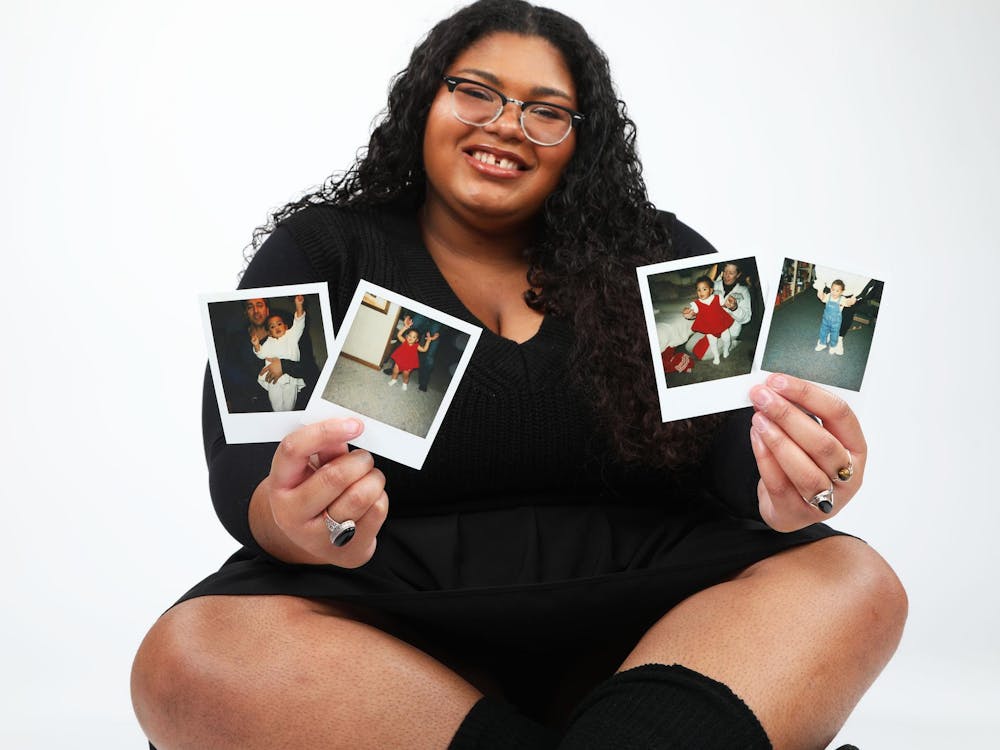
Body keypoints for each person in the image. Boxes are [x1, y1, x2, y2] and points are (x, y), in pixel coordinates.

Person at [131, 2, 906, 749]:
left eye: (546, 110)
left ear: (582, 140)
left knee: (854, 579)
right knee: (187, 658)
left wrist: (788, 481)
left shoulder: (660, 256)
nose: (506, 123)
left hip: (657, 617)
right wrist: (285, 515)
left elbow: (733, 448)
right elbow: (243, 466)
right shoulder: (323, 250)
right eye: (474, 91)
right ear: (423, 103)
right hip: (395, 638)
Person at [218, 296, 320, 412]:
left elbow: (311, 370)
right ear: (246, 312)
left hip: (288, 396)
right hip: (250, 408)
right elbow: (228, 372)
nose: (256, 311)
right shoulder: (236, 340)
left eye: (260, 305)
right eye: (250, 307)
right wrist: (226, 399)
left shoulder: (288, 336)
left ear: (267, 309)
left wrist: (284, 366)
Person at [252, 295, 307, 411]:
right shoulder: (268, 342)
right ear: (270, 333)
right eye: (272, 326)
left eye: (279, 324)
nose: (276, 327)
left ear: (286, 326)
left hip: (290, 376)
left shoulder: (291, 336)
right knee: (276, 403)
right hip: (273, 379)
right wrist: (257, 345)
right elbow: (262, 354)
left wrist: (298, 306)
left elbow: (299, 324)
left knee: (289, 404)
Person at [683, 275, 734, 365]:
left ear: (711, 290)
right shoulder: (696, 304)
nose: (701, 292)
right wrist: (687, 311)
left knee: (727, 338)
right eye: (699, 290)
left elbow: (724, 305)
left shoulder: (718, 298)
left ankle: (726, 350)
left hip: (721, 323)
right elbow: (692, 312)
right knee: (712, 343)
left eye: (704, 289)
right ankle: (716, 356)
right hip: (709, 328)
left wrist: (728, 303)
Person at [816, 280, 857, 355]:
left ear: (842, 292)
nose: (834, 292)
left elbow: (849, 303)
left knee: (835, 334)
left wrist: (853, 299)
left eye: (837, 291)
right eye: (833, 290)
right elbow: (822, 298)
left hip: (836, 322)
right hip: (826, 319)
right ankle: (822, 343)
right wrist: (820, 290)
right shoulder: (828, 296)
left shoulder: (842, 299)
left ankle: (833, 346)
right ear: (830, 289)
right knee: (823, 331)